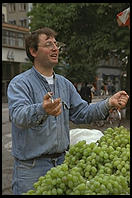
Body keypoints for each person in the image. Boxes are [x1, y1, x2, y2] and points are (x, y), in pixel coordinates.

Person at [7, 27, 129, 195]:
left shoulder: (65, 84)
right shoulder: (20, 84)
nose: (55, 48)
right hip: (31, 169)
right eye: (48, 44)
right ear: (33, 51)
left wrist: (109, 103)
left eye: (56, 44)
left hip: (62, 165)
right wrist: (42, 109)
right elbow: (18, 116)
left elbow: (83, 113)